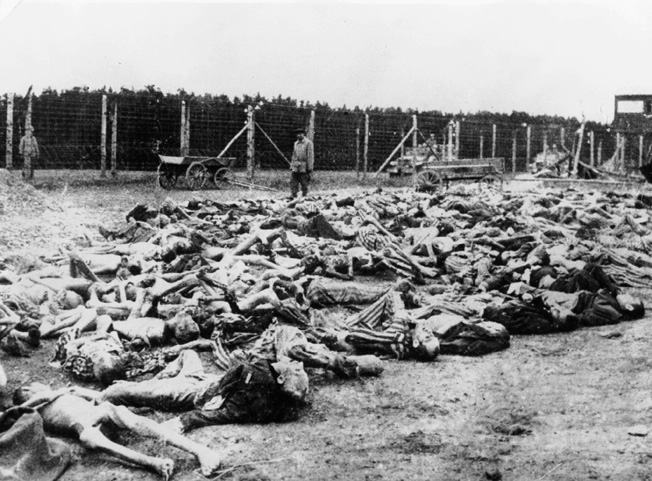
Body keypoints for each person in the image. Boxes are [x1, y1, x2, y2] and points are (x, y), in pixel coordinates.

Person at [289, 128, 314, 199]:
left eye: (300, 134)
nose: (299, 135)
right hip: (296, 166)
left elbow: (310, 156)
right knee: (293, 181)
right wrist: (292, 165)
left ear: (303, 134)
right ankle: (293, 195)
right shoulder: (295, 143)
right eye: (297, 134)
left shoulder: (308, 143)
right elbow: (294, 155)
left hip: (304, 166)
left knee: (304, 182)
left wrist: (309, 167)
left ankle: (304, 196)